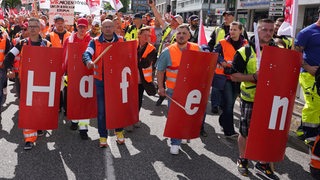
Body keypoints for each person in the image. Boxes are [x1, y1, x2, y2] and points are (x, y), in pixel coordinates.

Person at [230, 19, 279, 179]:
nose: (268, 33)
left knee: (267, 132)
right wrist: (253, 76)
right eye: (264, 29)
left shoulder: (278, 50)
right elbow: (234, 76)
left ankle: (263, 162)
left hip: (271, 100)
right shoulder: (245, 52)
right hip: (250, 99)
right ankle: (243, 159)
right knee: (245, 132)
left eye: (271, 30)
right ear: (257, 31)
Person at [4, 17, 52, 150]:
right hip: (25, 81)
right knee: (27, 108)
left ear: (40, 28)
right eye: (30, 26)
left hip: (43, 82)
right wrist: (9, 70)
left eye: (35, 26)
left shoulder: (47, 44)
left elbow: (53, 63)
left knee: (41, 106)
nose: (32, 29)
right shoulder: (22, 43)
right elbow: (9, 57)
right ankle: (29, 138)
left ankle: (40, 126)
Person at [156, 24, 201, 155]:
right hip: (173, 92)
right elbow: (160, 71)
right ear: (175, 35)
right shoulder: (168, 51)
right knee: (175, 117)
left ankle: (185, 135)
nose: (181, 35)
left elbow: (203, 67)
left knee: (188, 115)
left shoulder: (196, 48)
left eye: (184, 33)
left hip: (191, 91)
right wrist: (160, 87)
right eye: (179, 33)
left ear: (189, 35)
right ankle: (175, 142)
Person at [82, 19, 125, 148]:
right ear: (101, 28)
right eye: (105, 26)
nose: (107, 29)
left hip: (117, 80)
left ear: (114, 28)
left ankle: (119, 133)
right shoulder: (94, 42)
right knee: (102, 111)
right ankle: (102, 136)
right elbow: (87, 53)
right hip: (101, 80)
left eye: (110, 26)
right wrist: (88, 61)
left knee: (117, 108)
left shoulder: (122, 40)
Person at [294, 8, 320, 178]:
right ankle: (308, 134)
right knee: (314, 104)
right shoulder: (307, 32)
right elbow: (295, 53)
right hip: (309, 75)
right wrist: (308, 67)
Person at [214, 21, 248, 137]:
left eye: (234, 29)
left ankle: (223, 121)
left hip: (239, 78)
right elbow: (215, 53)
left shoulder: (246, 44)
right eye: (231, 29)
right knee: (229, 104)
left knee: (230, 103)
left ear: (240, 31)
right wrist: (222, 61)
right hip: (226, 77)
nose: (232, 32)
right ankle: (229, 131)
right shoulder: (222, 42)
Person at [148, 0, 183, 106]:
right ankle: (162, 95)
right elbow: (158, 17)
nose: (171, 20)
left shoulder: (180, 32)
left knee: (171, 79)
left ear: (177, 23)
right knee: (160, 76)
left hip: (173, 59)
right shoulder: (167, 27)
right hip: (162, 56)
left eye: (173, 19)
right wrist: (153, 7)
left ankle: (171, 96)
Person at [62, 18, 92, 139]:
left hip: (86, 74)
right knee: (73, 99)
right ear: (76, 27)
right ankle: (74, 121)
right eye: (80, 27)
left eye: (84, 27)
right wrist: (63, 71)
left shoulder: (91, 41)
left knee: (84, 100)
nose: (82, 29)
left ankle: (83, 128)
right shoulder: (69, 40)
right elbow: (64, 56)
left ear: (87, 27)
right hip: (71, 74)